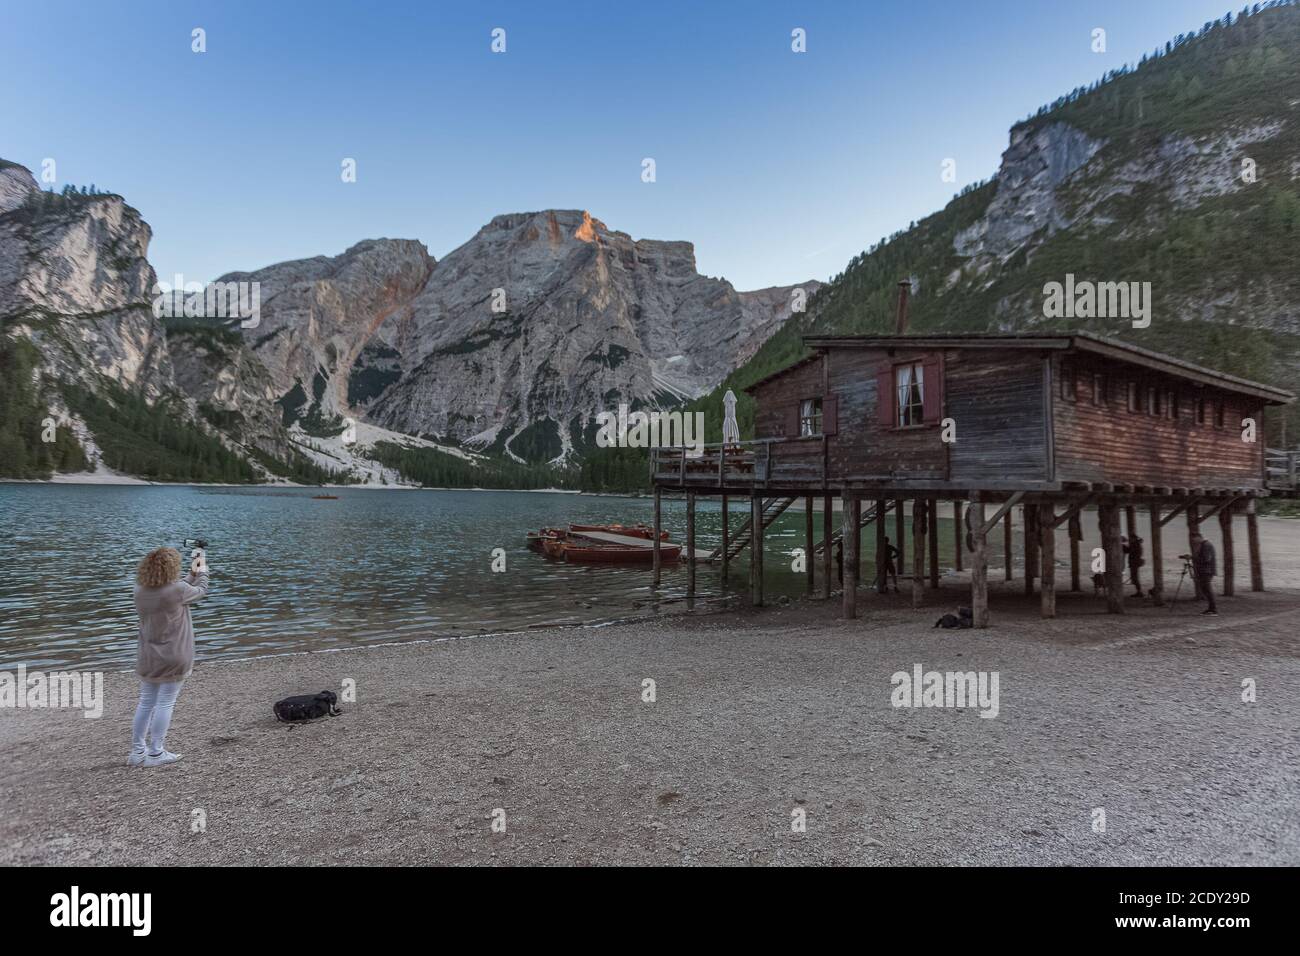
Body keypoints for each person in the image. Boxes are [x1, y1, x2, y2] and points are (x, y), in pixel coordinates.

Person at [130, 546, 209, 767]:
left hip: (148, 655)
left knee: (146, 702)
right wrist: (201, 566)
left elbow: (182, 586)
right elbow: (201, 589)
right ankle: (156, 752)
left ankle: (137, 752)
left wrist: (194, 569)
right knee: (166, 702)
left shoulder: (140, 589)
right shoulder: (176, 591)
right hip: (173, 654)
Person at [1190, 532, 1217, 615]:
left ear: (1199, 537)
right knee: (1205, 589)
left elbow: (1206, 559)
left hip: (1206, 571)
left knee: (1207, 589)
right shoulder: (1205, 545)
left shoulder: (1206, 545)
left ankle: (1213, 609)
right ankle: (1211, 608)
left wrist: (1193, 558)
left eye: (1193, 539)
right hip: (1206, 570)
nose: (1193, 542)